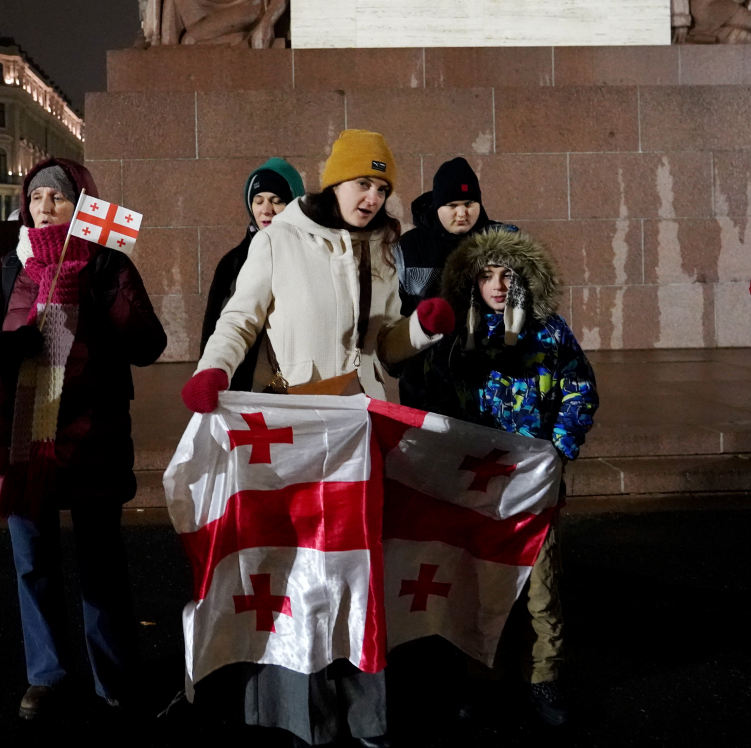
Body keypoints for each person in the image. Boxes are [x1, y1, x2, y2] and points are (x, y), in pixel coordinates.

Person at [180, 129, 456, 747]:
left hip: (361, 429)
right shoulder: (279, 239)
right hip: (296, 427)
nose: (372, 197)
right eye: (363, 183)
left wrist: (420, 329)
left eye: (382, 187)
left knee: (357, 568)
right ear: (335, 181)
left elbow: (384, 346)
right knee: (299, 567)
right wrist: (213, 370)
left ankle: (365, 714)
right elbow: (239, 318)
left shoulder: (383, 245)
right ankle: (301, 712)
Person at [0, 158, 168, 719]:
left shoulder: (107, 263)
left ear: (82, 206)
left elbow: (148, 343)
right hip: (22, 437)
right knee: (33, 561)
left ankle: (115, 677)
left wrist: (107, 291)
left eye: (56, 197)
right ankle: (47, 676)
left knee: (102, 564)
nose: (44, 207)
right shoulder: (10, 266)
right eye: (35, 198)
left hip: (93, 433)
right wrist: (9, 345)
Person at [418, 226, 599, 727]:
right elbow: (434, 398)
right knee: (482, 583)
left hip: (534, 482)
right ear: (471, 281)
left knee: (541, 588)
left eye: (508, 274)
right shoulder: (458, 336)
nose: (498, 285)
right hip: (478, 485)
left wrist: (559, 447)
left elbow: (578, 389)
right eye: (487, 275)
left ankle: (543, 678)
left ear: (525, 278)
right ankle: (483, 676)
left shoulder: (550, 331)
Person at [393, 156, 516, 408]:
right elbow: (395, 311)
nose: (462, 213)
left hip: (491, 382)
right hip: (425, 384)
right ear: (437, 205)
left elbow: (529, 302)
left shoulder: (505, 240)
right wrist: (403, 364)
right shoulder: (409, 247)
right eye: (452, 205)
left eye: (469, 203)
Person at [200, 157, 305, 391]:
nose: (266, 210)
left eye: (277, 201)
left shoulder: (312, 255)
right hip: (248, 382)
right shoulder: (233, 262)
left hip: (302, 382)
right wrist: (208, 374)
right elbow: (213, 328)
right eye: (258, 201)